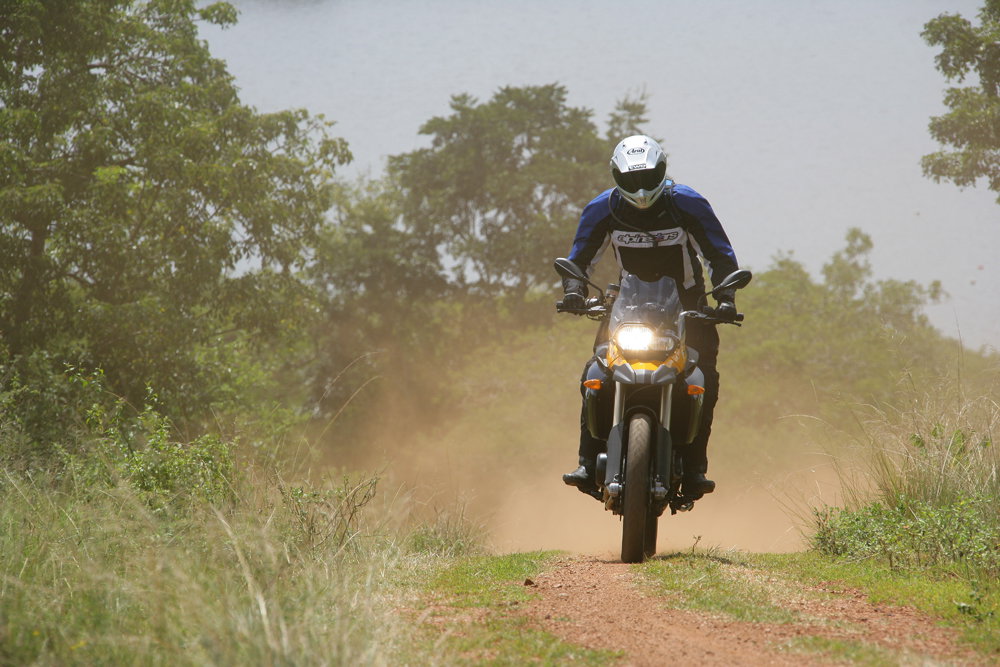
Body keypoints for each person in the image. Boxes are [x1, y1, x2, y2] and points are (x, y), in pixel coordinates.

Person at [560, 134, 739, 499]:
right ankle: (586, 459)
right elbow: (579, 259)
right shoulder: (603, 209)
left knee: (704, 377)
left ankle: (694, 468)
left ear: (662, 171)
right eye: (631, 180)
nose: (640, 190)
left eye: (647, 178)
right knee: (594, 371)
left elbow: (718, 254)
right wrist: (574, 293)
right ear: (615, 175)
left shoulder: (687, 204)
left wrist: (725, 297)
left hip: (689, 307)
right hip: (627, 305)